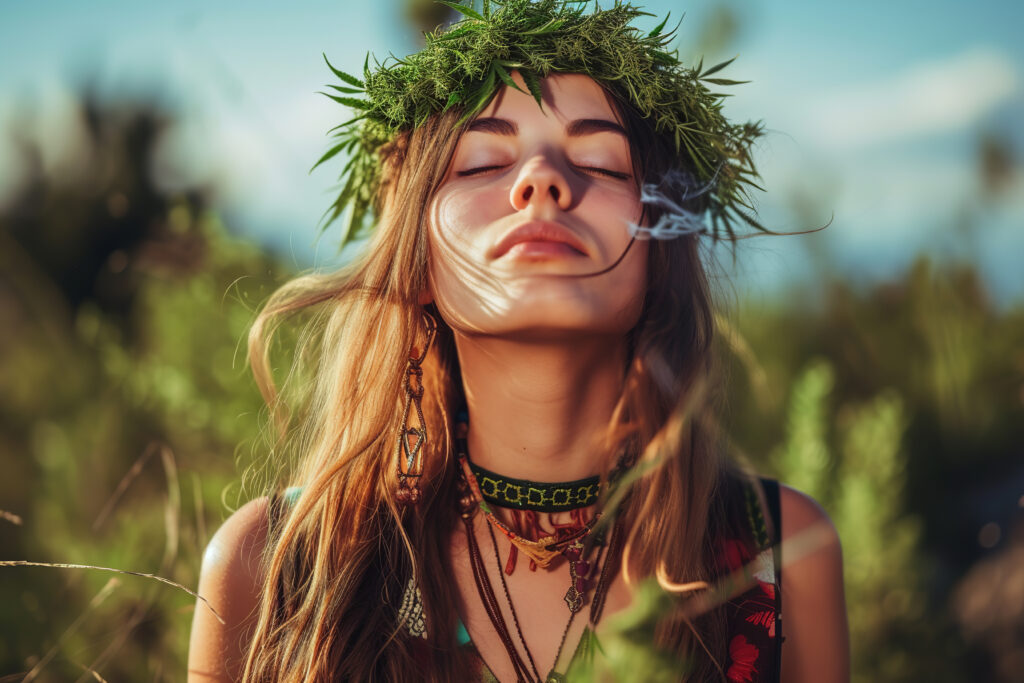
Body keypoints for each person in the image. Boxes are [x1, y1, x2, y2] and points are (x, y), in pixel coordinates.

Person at [187, 1, 849, 681]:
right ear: (416, 262)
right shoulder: (275, 564)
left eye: (603, 160)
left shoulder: (781, 551)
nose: (542, 181)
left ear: (661, 255)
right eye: (480, 163)